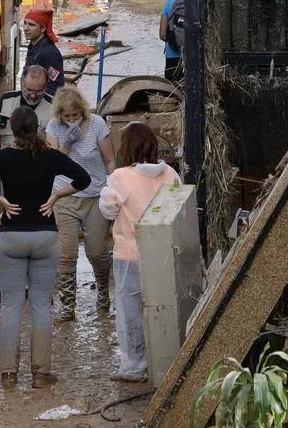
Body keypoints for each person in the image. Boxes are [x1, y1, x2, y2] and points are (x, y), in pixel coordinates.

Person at [0, 106, 91, 390]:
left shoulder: (3, 157)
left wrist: (0, 200)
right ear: (38, 128)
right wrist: (56, 196)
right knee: (41, 306)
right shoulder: (50, 156)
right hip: (45, 236)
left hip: (10, 237)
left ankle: (8, 375)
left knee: (10, 306)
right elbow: (84, 179)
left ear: (13, 131)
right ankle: (41, 374)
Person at [99, 122, 180, 383]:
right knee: (164, 307)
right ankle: (168, 361)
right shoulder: (170, 174)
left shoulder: (119, 177)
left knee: (130, 312)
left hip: (129, 255)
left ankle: (134, 367)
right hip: (164, 253)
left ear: (127, 148)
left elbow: (108, 210)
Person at [45, 87, 115, 321]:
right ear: (59, 114)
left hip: (95, 194)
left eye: (75, 115)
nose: (71, 119)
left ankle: (103, 292)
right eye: (67, 116)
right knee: (66, 254)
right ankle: (68, 306)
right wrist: (67, 141)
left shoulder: (96, 124)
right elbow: (53, 163)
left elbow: (109, 160)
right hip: (64, 196)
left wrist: (114, 187)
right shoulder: (53, 127)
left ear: (82, 111)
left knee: (97, 252)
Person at [0, 65, 55, 149]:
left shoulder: (54, 106)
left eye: (38, 91)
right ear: (22, 81)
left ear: (45, 85)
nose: (33, 95)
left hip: (38, 160)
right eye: (29, 90)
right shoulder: (6, 100)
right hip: (8, 159)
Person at [23, 8, 65, 96]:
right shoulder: (33, 46)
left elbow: (55, 86)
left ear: (42, 28)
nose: (25, 28)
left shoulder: (50, 54)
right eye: (25, 23)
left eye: (31, 25)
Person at [159, 0, 184, 82]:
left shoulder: (170, 1)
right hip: (193, 58)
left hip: (173, 57)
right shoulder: (196, 2)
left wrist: (175, 40)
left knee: (173, 94)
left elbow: (162, 34)